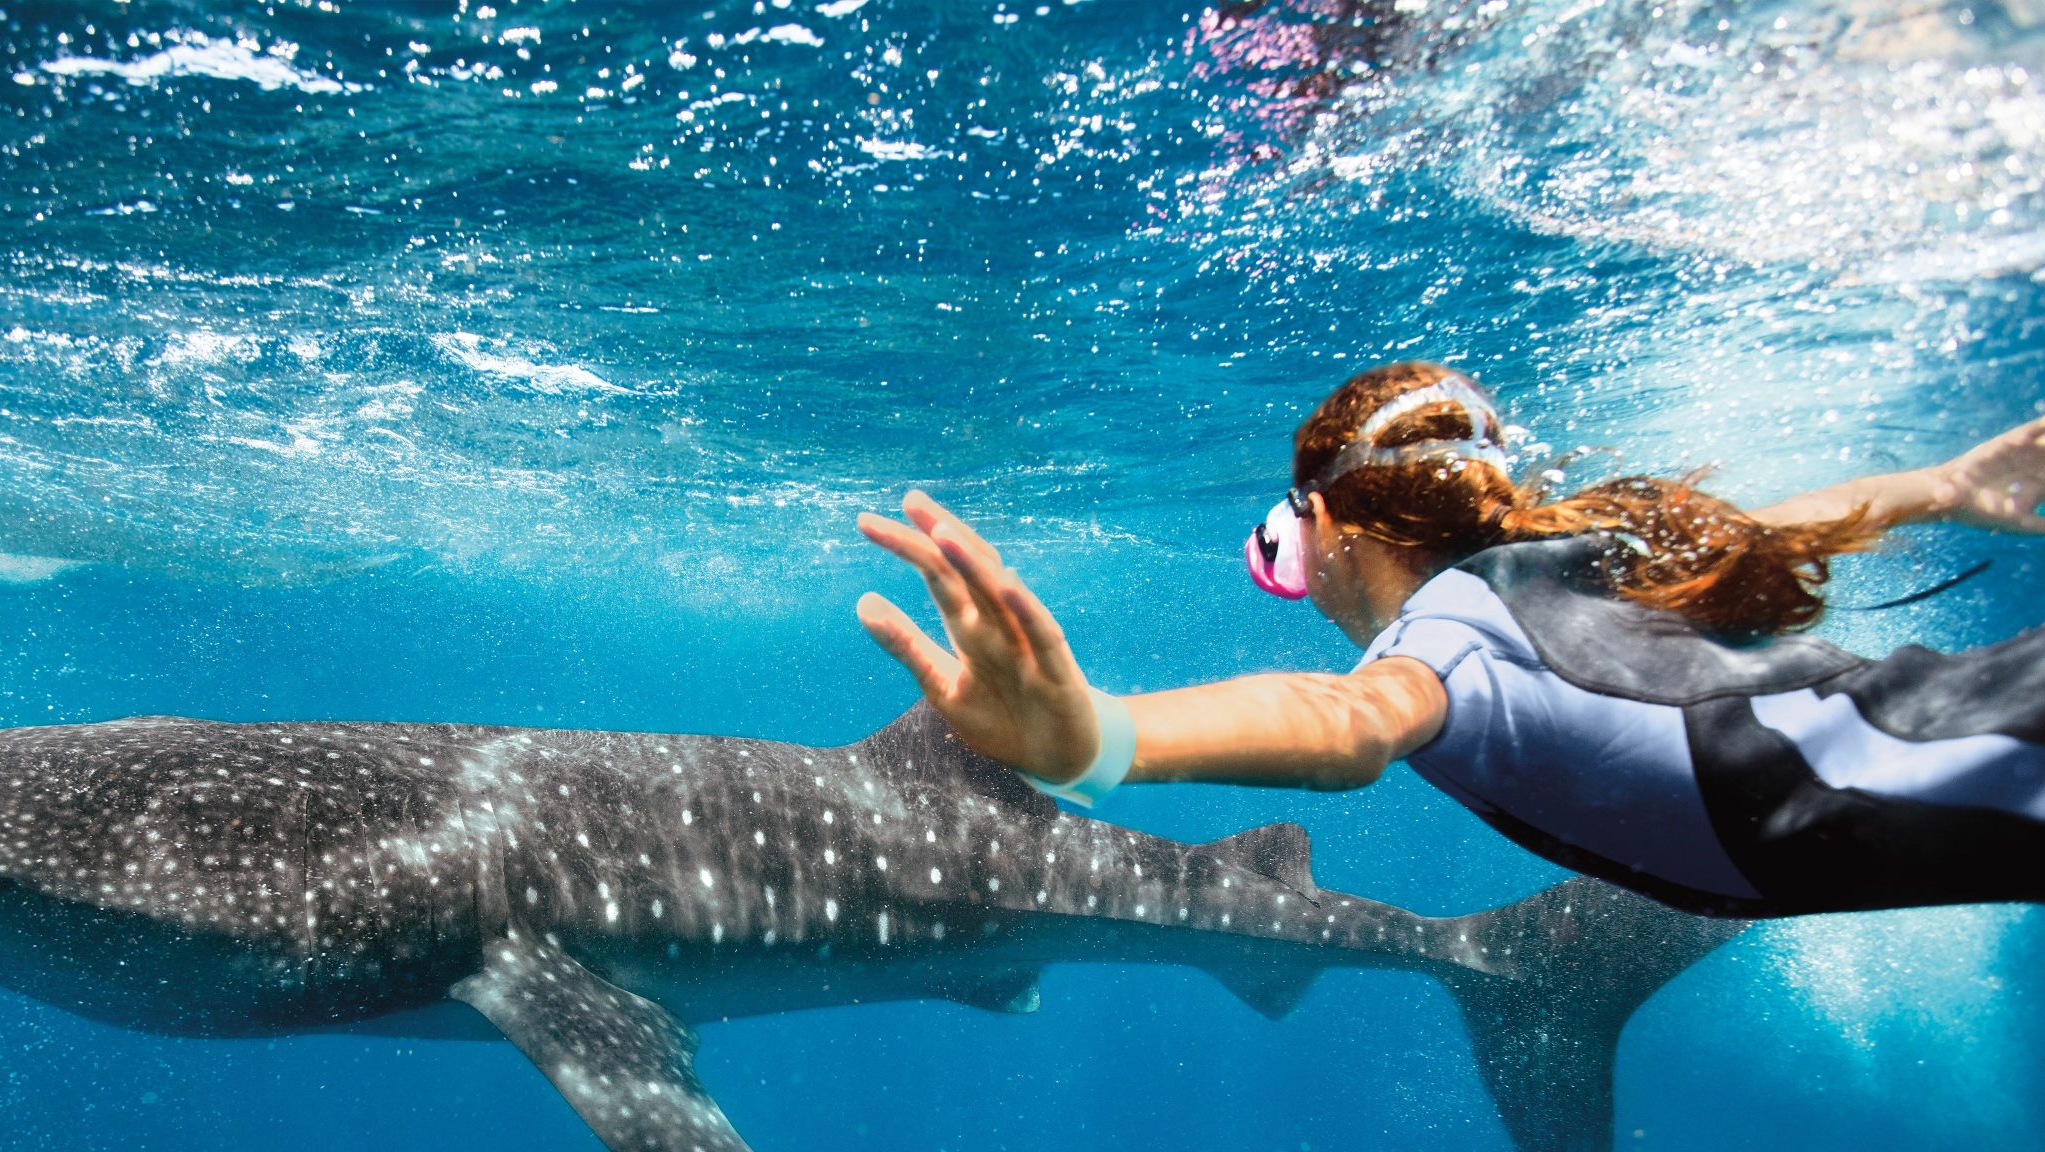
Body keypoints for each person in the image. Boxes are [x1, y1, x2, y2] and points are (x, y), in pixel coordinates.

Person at [855, 361, 2045, 917]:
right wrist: (1940, 484)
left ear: (1323, 522)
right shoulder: (1591, 546)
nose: (1291, 571)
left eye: (1279, 540)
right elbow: (1769, 524)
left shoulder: (1458, 633)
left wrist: (1102, 738)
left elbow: (1345, 724)